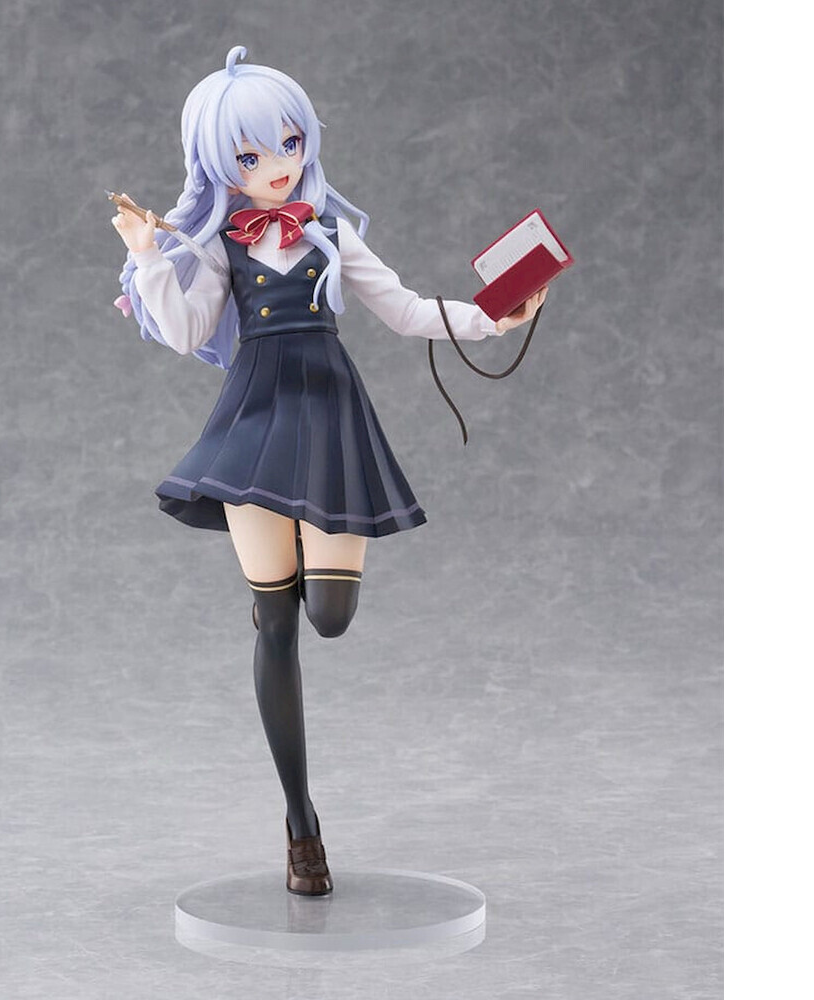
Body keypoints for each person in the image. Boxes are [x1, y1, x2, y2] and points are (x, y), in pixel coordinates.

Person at [110, 45, 546, 895]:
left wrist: (495, 317)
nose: (277, 166)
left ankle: (282, 585)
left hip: (331, 417)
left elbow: (407, 309)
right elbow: (187, 330)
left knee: (332, 617)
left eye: (289, 143)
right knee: (277, 625)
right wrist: (149, 253)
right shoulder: (219, 246)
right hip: (254, 424)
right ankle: (300, 822)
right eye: (249, 155)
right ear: (218, 165)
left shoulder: (329, 234)